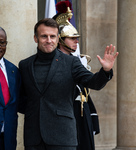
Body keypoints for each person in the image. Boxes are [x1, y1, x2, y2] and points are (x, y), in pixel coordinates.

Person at [18, 18, 118, 150]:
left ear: (58, 38)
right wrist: (36, 112)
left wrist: (105, 71)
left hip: (63, 136)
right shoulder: (25, 65)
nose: (49, 40)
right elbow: (21, 98)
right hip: (33, 138)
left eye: (52, 36)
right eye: (44, 36)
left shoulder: (71, 63)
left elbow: (93, 83)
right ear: (36, 38)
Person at [54, 1, 100, 150]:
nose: (76, 41)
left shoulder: (77, 61)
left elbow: (89, 87)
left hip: (82, 112)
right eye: (72, 38)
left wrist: (93, 117)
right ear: (60, 39)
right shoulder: (55, 61)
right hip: (66, 114)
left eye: (76, 38)